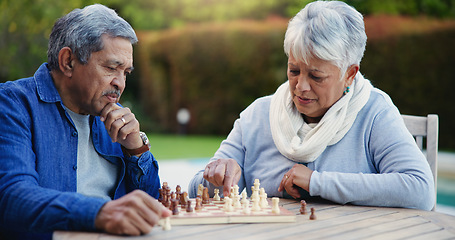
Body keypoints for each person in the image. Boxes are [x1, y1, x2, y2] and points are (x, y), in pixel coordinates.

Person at [189, 0, 435, 211]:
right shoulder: (258, 115)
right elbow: (195, 188)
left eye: (316, 76)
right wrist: (215, 177)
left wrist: (317, 182)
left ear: (349, 74)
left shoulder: (374, 112)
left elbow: (420, 190)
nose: (300, 86)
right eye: (294, 70)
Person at [0, 4, 171, 240]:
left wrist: (136, 149)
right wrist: (99, 212)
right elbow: (12, 197)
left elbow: (151, 206)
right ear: (68, 61)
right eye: (112, 68)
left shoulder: (116, 117)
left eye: (126, 73)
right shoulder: (12, 104)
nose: (120, 83)